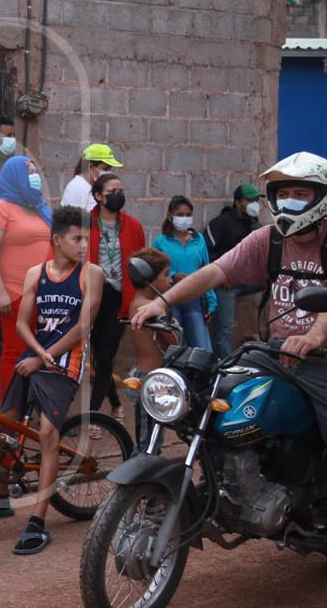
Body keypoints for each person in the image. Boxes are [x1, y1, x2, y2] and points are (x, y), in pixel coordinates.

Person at [132, 152, 327, 607]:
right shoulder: (267, 240)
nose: (288, 201)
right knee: (207, 399)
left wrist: (314, 335)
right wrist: (162, 302)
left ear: (322, 198)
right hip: (276, 355)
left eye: (299, 193)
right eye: (282, 193)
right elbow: (214, 272)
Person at [0, 206, 103, 542]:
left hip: (64, 363)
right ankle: (0, 497)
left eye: (87, 238)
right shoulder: (35, 274)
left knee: (46, 434)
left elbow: (84, 326)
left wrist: (44, 357)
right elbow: (20, 324)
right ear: (57, 240)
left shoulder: (91, 274)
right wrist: (37, 353)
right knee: (6, 425)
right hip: (37, 356)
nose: (84, 245)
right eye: (77, 238)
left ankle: (38, 523)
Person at [0, 155, 52, 398]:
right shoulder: (0, 208)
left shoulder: (39, 207)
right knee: (15, 350)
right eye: (28, 172)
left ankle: (29, 405)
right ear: (15, 176)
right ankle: (10, 409)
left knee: (41, 350)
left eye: (35, 172)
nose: (34, 177)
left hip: (45, 293)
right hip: (15, 291)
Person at [87, 173, 145, 429]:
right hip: (92, 295)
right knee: (98, 357)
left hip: (119, 298)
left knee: (107, 356)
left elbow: (139, 262)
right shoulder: (84, 223)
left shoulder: (133, 225)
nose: (118, 195)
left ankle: (91, 416)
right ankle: (116, 404)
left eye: (121, 190)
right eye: (112, 191)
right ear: (99, 196)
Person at [204, 183, 265, 358]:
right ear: (238, 202)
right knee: (226, 328)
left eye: (256, 200)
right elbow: (205, 250)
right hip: (227, 283)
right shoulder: (221, 223)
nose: (255, 203)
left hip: (245, 281)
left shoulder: (254, 225)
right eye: (250, 200)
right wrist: (221, 275)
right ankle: (225, 365)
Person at [152, 196, 217, 351]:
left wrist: (212, 301)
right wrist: (173, 275)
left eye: (188, 215)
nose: (185, 219)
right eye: (180, 215)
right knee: (174, 349)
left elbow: (206, 269)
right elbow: (155, 272)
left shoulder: (198, 239)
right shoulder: (161, 242)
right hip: (170, 301)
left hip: (194, 300)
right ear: (170, 216)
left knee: (203, 350)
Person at [125, 247, 174, 450]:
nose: (170, 279)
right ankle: (138, 480)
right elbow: (173, 340)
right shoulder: (146, 307)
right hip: (151, 381)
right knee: (148, 444)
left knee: (152, 438)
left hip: (150, 377)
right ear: (149, 278)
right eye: (166, 274)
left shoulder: (139, 303)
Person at [61, 143, 123, 211]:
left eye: (110, 169)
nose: (109, 173)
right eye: (105, 169)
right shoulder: (77, 188)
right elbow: (74, 219)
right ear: (90, 166)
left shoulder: (94, 187)